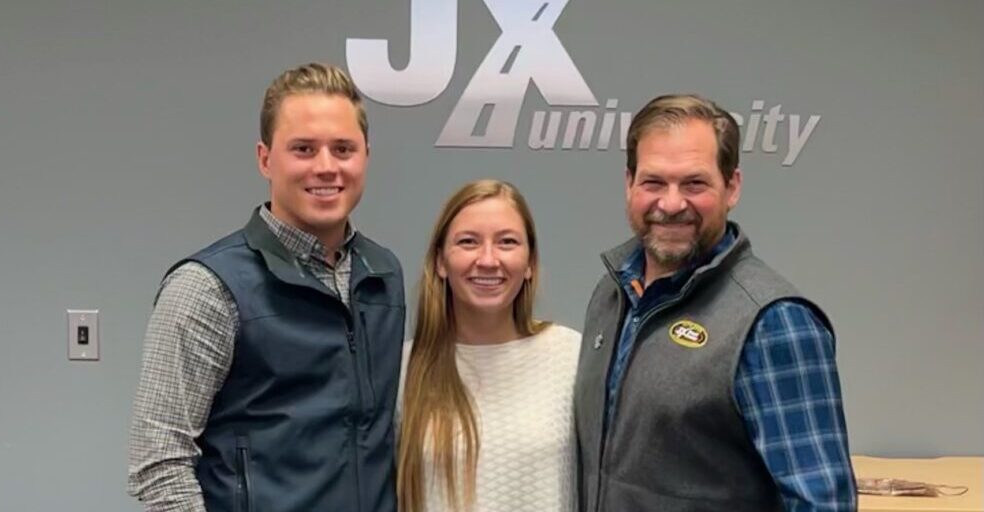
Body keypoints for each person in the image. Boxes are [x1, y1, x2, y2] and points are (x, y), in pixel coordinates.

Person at [127, 62, 405, 512]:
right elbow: (159, 463)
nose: (326, 167)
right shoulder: (207, 287)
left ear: (366, 156)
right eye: (303, 148)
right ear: (265, 159)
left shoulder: (382, 274)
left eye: (343, 149)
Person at [574, 94, 856, 511]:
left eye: (694, 183)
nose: (671, 204)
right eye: (654, 182)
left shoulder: (773, 322)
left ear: (732, 186)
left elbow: (822, 505)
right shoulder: (611, 293)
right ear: (629, 183)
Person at [396, 179, 581, 512]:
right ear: (440, 261)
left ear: (530, 264)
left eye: (507, 242)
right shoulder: (402, 369)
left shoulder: (570, 357)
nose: (488, 259)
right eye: (468, 242)